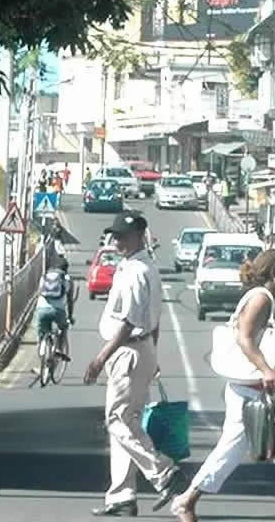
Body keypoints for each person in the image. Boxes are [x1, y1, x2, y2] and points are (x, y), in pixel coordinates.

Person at [171, 250, 275, 522]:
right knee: (231, 449)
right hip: (251, 392)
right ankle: (187, 501)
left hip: (270, 391)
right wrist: (266, 369)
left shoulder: (269, 300)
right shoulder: (260, 299)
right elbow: (244, 338)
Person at [83, 213, 187, 517]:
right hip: (140, 350)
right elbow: (155, 318)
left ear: (140, 236)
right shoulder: (144, 267)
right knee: (126, 423)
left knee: (117, 420)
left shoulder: (136, 271)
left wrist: (100, 359)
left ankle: (164, 472)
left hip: (127, 350)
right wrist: (152, 354)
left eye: (123, 236)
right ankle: (122, 495)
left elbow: (129, 322)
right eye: (115, 236)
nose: (117, 241)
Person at [35, 256, 75, 361]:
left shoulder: (44, 277)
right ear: (66, 269)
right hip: (58, 311)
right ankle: (58, 349)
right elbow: (70, 300)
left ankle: (41, 347)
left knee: (41, 331)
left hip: (41, 309)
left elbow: (39, 293)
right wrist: (70, 316)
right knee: (63, 327)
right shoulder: (67, 279)